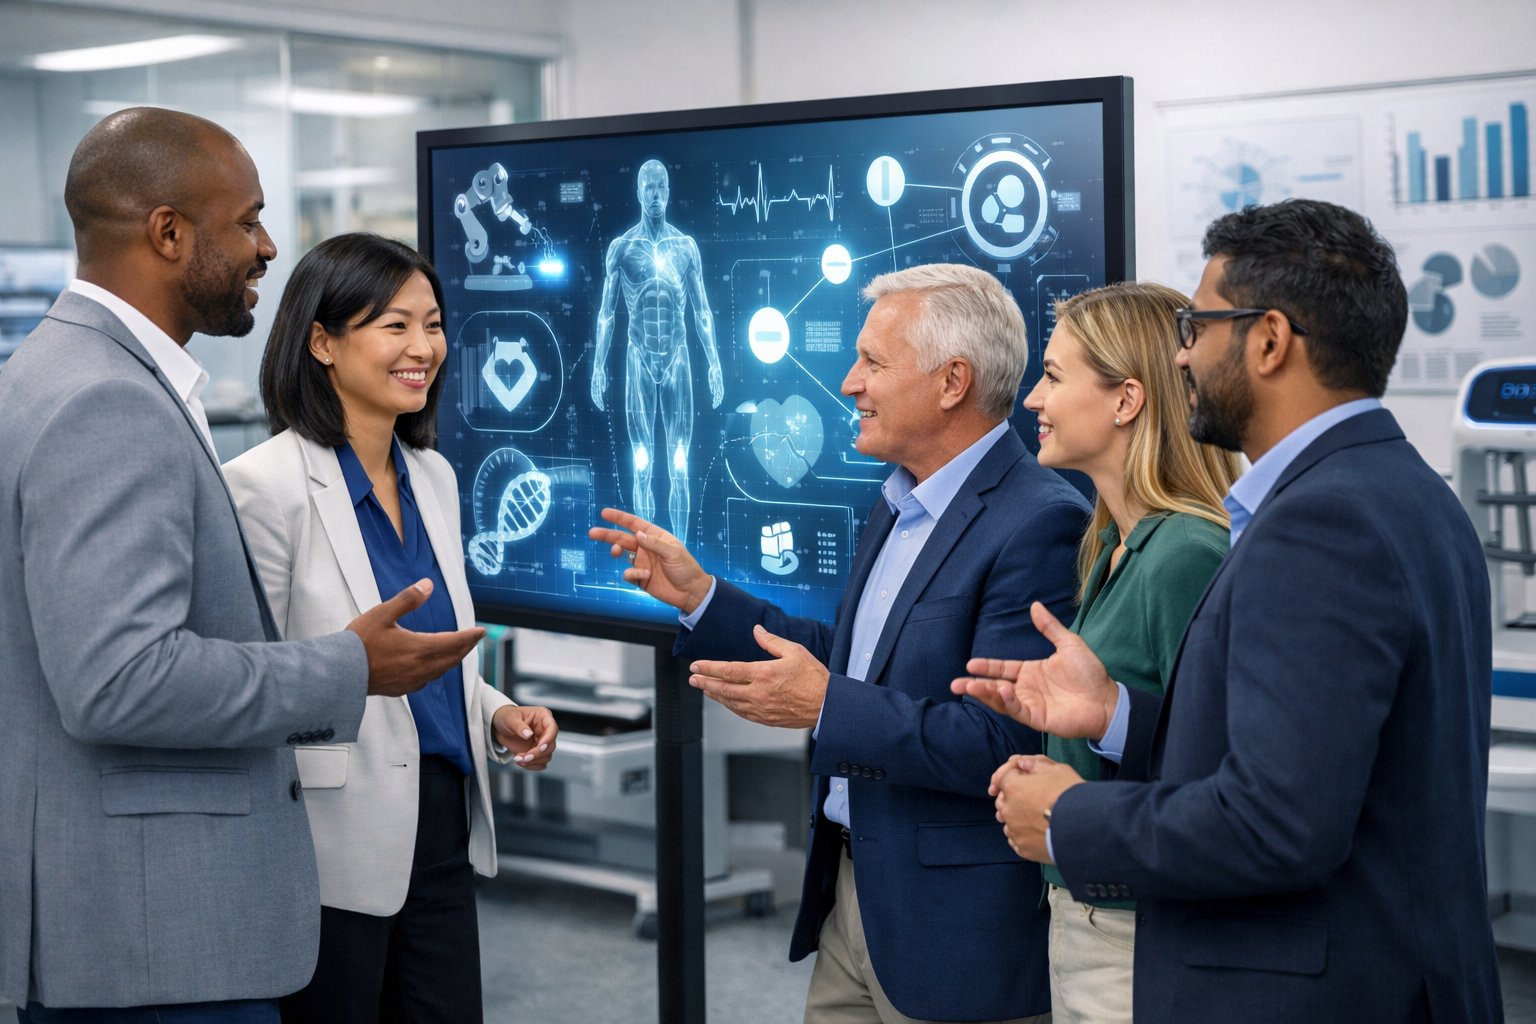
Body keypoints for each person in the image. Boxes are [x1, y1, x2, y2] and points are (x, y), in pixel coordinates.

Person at [955, 199, 1504, 1021]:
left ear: (1270, 340)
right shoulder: (1409, 492)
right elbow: (1308, 764)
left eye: (1197, 327)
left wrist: (1072, 816)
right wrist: (1116, 715)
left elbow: (1277, 823)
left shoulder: (1321, 524)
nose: (1182, 359)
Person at [0, 109, 483, 1022]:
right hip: (154, 930)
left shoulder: (48, 373)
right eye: (249, 220)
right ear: (169, 232)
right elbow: (117, 679)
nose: (268, 248)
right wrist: (350, 667)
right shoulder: (108, 401)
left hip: (114, 913)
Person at [591, 263, 1090, 1024]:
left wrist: (827, 706)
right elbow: (858, 661)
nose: (850, 382)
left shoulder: (1039, 522)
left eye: (874, 362)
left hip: (952, 937)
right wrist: (702, 597)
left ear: (952, 380)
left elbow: (1003, 740)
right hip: (852, 903)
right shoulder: (898, 500)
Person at [222, 233, 559, 1024]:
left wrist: (495, 712)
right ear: (322, 342)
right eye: (394, 325)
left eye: (433, 323)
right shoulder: (263, 489)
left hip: (443, 819)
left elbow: (433, 657)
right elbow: (253, 684)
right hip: (329, 837)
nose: (424, 347)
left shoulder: (435, 476)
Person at [1006, 281, 1240, 1023]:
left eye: (1053, 376)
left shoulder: (1186, 555)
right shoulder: (1109, 544)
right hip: (1090, 916)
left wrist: (1106, 724)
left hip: (1141, 934)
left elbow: (1218, 776)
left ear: (1126, 400)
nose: (1034, 400)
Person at [591, 158, 724, 542]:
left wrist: (714, 364)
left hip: (678, 356)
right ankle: (648, 551)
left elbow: (702, 311)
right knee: (642, 463)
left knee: (680, 463)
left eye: (660, 186)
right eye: (647, 187)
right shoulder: (621, 248)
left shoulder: (686, 247)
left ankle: (678, 556)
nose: (654, 194)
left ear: (669, 192)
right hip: (638, 357)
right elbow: (606, 313)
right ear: (638, 192)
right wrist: (598, 367)